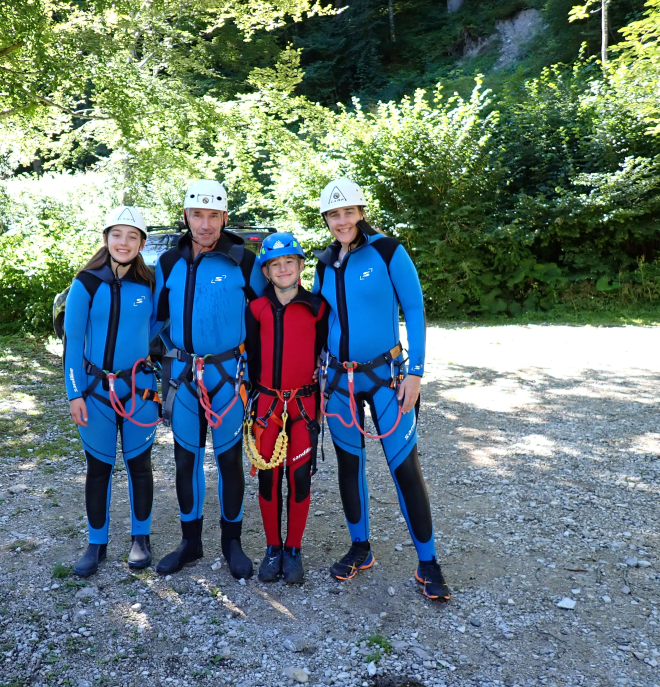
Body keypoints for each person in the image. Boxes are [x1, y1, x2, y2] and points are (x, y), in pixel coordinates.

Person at [312, 178, 451, 600]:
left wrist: (417, 373)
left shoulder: (389, 251)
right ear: (326, 219)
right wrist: (318, 375)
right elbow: (321, 323)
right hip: (338, 380)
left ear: (361, 211)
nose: (341, 221)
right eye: (333, 215)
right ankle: (360, 548)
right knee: (349, 466)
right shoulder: (324, 262)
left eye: (348, 212)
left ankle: (428, 562)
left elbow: (415, 309)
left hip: (389, 377)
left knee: (404, 467)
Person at [153, 179, 267, 578]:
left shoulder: (243, 261)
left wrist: (258, 377)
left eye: (213, 215)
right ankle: (190, 542)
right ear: (185, 216)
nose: (205, 224)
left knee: (229, 460)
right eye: (197, 215)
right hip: (183, 376)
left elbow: (266, 318)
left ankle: (231, 543)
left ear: (224, 218)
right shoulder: (168, 263)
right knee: (185, 460)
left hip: (229, 375)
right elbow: (153, 320)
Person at [63, 206, 163, 577]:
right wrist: (74, 394)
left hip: (138, 390)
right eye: (117, 235)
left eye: (132, 236)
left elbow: (155, 328)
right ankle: (96, 543)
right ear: (106, 239)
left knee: (140, 464)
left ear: (140, 244)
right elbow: (73, 342)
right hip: (93, 393)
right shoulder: (85, 283)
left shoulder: (148, 285)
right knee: (99, 468)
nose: (124, 242)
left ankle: (141, 539)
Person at [244, 233, 327, 584]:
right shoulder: (256, 308)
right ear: (265, 270)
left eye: (289, 262)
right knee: (268, 478)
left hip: (304, 403)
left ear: (301, 265)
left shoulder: (317, 307)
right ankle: (272, 547)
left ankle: (294, 550)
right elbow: (249, 357)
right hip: (266, 404)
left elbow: (324, 353)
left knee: (299, 478)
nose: (283, 269)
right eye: (275, 264)